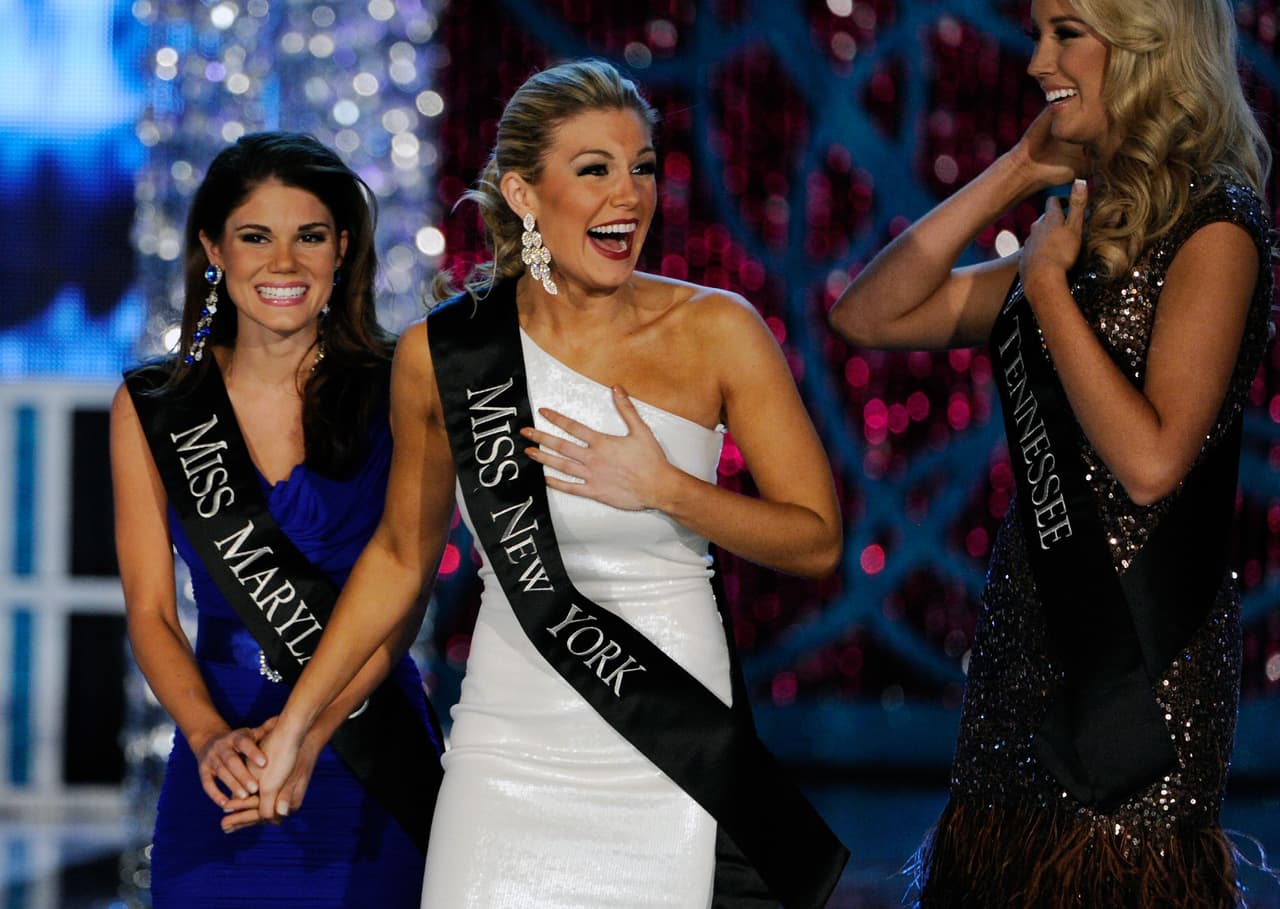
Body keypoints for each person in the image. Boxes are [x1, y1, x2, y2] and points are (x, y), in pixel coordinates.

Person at [251, 60, 850, 907]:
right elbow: (398, 559)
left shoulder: (717, 329)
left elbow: (817, 539)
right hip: (505, 750)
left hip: (668, 740)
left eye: (643, 167)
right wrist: (298, 725)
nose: (629, 194)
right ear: (524, 194)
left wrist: (667, 488)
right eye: (595, 169)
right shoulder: (446, 354)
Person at [829, 0, 1274, 904]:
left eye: (1065, 32)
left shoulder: (1217, 228)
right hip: (1023, 647)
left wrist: (1044, 288)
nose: (1038, 61)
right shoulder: (1082, 233)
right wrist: (1017, 171)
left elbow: (1151, 463)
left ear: (1147, 42)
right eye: (1038, 33)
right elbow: (868, 314)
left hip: (1138, 663)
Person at [110, 131, 443, 908]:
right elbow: (151, 611)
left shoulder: (402, 386)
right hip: (221, 764)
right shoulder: (156, 407)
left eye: (310, 237)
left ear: (343, 249)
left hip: (367, 749)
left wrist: (307, 732)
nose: (284, 263)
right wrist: (206, 736)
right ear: (213, 249)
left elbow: (403, 599)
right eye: (256, 237)